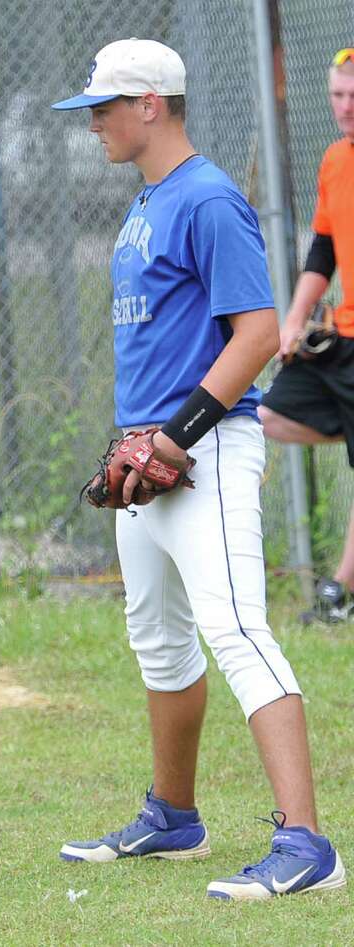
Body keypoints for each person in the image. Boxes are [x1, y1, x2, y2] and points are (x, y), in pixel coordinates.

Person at [50, 39, 344, 900]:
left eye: (105, 105)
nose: (94, 120)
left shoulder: (209, 198)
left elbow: (255, 335)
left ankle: (308, 844)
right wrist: (148, 442)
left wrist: (178, 435)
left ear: (151, 104)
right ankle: (174, 816)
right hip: (148, 461)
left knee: (238, 631)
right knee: (160, 639)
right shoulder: (150, 201)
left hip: (203, 450)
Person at [260, 48, 354, 623]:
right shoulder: (335, 161)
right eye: (338, 96)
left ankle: (338, 595)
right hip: (343, 337)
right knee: (269, 414)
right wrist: (295, 319)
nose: (346, 108)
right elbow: (322, 248)